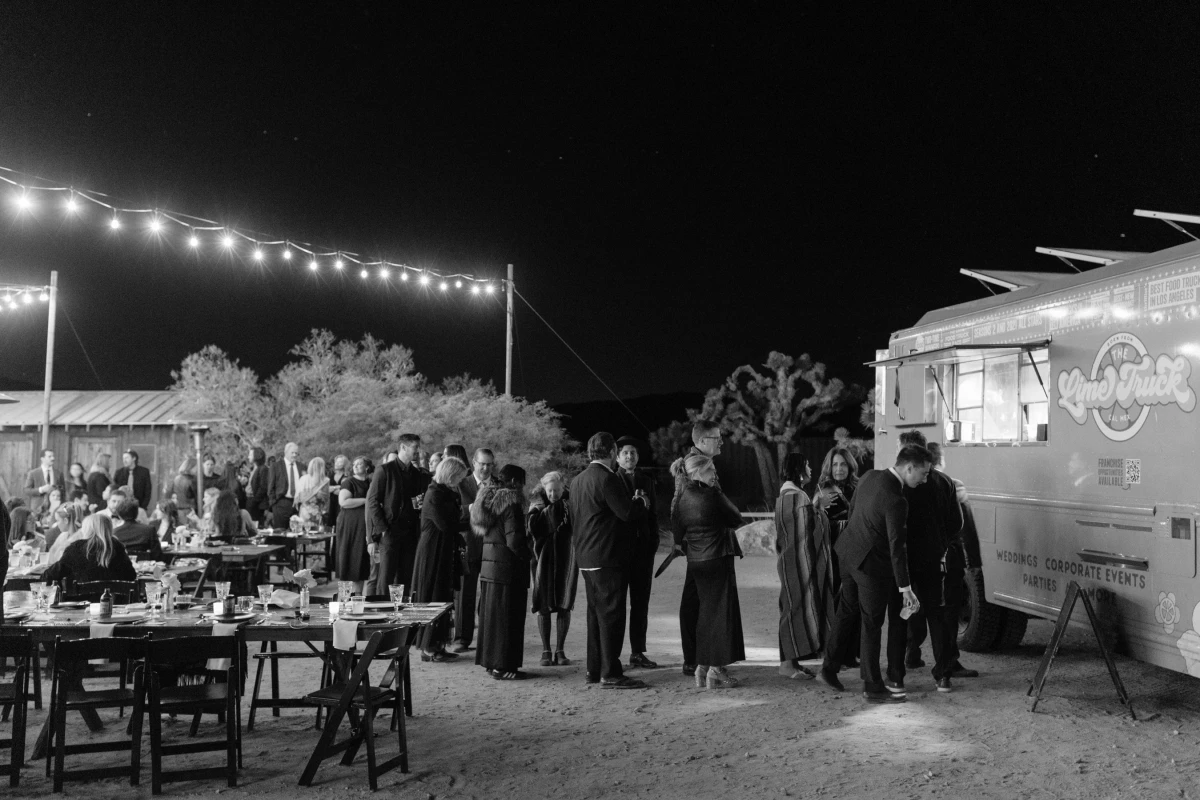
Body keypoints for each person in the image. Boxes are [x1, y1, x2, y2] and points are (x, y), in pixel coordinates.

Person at [816, 444, 933, 704]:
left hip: (848, 553)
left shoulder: (870, 476)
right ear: (909, 467)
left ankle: (828, 668)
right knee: (872, 623)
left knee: (847, 612)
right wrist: (905, 587)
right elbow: (897, 547)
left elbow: (854, 511)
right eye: (923, 474)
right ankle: (871, 685)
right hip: (870, 567)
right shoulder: (897, 499)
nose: (924, 479)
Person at [569, 432, 651, 690]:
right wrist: (641, 501)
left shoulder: (578, 480)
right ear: (611, 451)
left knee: (595, 615)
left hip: (585, 556)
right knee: (612, 616)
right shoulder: (607, 479)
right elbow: (626, 513)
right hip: (607, 556)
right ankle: (611, 673)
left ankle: (594, 669)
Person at [906, 441, 978, 683]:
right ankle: (946, 667)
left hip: (911, 559)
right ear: (937, 460)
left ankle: (909, 656)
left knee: (914, 608)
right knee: (942, 613)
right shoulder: (948, 483)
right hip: (942, 559)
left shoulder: (906, 485)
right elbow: (957, 523)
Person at [672, 453, 745, 689]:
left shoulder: (682, 496)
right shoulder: (712, 494)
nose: (715, 474)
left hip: (696, 562)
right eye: (711, 470)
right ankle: (716, 669)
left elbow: (677, 527)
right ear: (698, 472)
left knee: (705, 615)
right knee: (721, 616)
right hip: (717, 558)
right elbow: (736, 518)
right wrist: (719, 491)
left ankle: (701, 667)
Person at [669, 421, 722, 676]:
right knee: (694, 601)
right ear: (701, 441)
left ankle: (700, 659)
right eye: (716, 438)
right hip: (700, 544)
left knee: (700, 600)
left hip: (706, 542)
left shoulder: (703, 463)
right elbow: (678, 505)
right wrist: (680, 541)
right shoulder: (691, 466)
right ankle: (693, 659)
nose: (721, 442)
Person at [775, 453, 834, 680]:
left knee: (795, 607)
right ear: (799, 468)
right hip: (796, 565)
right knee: (794, 608)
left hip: (793, 564)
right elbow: (803, 529)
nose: (811, 468)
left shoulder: (792, 495)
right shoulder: (793, 496)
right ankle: (787, 665)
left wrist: (814, 507)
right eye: (808, 464)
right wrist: (818, 508)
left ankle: (794, 662)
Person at [473, 464, 532, 680]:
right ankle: (503, 667)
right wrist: (529, 554)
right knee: (507, 619)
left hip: (490, 568)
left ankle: (491, 664)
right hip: (507, 571)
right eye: (522, 483)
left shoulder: (487, 500)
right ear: (515, 482)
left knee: (491, 619)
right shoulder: (511, 503)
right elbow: (514, 540)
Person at [413, 456, 469, 661]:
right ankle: (429, 647)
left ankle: (438, 644)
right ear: (451, 475)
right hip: (433, 550)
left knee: (443, 597)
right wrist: (472, 522)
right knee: (433, 595)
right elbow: (447, 524)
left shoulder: (444, 492)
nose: (460, 482)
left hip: (443, 547)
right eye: (458, 477)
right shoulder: (435, 493)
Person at [615, 435, 661, 670]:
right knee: (618, 604)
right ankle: (614, 655)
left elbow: (653, 513)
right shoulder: (612, 480)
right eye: (625, 453)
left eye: (633, 452)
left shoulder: (647, 479)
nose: (630, 456)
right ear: (617, 457)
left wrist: (654, 541)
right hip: (621, 552)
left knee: (640, 603)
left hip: (643, 550)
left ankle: (637, 652)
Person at [814, 445, 861, 669]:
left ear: (850, 465)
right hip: (831, 552)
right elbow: (813, 522)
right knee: (835, 603)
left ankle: (851, 653)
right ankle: (834, 654)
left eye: (843, 464)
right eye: (835, 464)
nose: (839, 468)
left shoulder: (859, 487)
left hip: (855, 551)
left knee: (856, 602)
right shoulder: (823, 488)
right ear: (829, 467)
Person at [366, 434, 430, 595]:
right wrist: (382, 529)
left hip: (410, 533)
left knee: (406, 579)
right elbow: (372, 501)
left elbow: (417, 501)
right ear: (403, 447)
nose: (418, 451)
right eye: (415, 447)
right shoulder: (384, 470)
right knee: (385, 578)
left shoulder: (416, 474)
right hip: (390, 532)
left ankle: (402, 616)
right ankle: (381, 614)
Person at [528, 471, 575, 667]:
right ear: (543, 489)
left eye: (556, 490)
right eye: (549, 491)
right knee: (544, 603)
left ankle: (560, 650)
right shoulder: (536, 506)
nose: (553, 494)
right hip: (542, 560)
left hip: (567, 558)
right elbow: (531, 529)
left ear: (563, 488)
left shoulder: (571, 504)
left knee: (564, 602)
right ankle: (546, 650)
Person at [450, 446, 493, 653]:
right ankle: (462, 639)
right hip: (467, 545)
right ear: (473, 463)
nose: (485, 468)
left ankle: (486, 637)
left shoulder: (498, 486)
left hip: (492, 548)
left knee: (489, 594)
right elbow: (453, 513)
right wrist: (472, 508)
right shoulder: (461, 484)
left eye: (488, 464)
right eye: (481, 463)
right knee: (465, 593)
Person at [43, 513, 137, 586]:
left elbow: (49, 576)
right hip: (114, 606)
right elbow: (131, 576)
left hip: (80, 607)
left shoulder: (75, 548)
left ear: (86, 529)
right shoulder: (116, 547)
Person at [334, 456, 374, 594]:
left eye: (360, 464)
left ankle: (358, 597)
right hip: (349, 526)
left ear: (367, 467)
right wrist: (366, 500)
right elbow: (343, 501)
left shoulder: (370, 483)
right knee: (349, 558)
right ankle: (345, 597)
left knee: (361, 561)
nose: (356, 466)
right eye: (354, 464)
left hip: (364, 527)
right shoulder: (349, 482)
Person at [267, 442, 303, 528]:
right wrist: (274, 505)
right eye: (292, 452)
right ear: (285, 452)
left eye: (296, 453)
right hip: (281, 502)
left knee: (295, 533)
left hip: (297, 504)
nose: (294, 455)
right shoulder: (276, 466)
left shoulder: (301, 466)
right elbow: (270, 487)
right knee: (281, 533)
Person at [24, 448, 65, 515]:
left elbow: (63, 491)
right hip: (37, 509)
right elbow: (26, 490)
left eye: (53, 456)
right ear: (42, 458)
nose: (52, 458)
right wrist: (41, 490)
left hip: (55, 509)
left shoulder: (59, 473)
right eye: (49, 456)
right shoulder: (33, 473)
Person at [294, 457, 330, 526]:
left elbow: (326, 498)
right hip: (312, 511)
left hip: (313, 511)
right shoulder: (325, 480)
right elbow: (326, 500)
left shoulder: (325, 480)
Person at [324, 454, 349, 529]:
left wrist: (332, 489)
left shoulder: (346, 476)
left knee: (339, 524)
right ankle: (329, 541)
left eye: (340, 462)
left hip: (340, 503)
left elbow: (342, 492)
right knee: (329, 525)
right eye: (336, 462)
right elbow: (325, 489)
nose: (337, 464)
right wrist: (337, 487)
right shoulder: (330, 474)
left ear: (344, 464)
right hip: (330, 503)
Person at [246, 447, 269, 525]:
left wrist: (254, 500)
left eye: (250, 455)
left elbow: (263, 487)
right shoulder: (254, 468)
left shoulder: (263, 469)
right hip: (250, 501)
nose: (248, 457)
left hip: (256, 504)